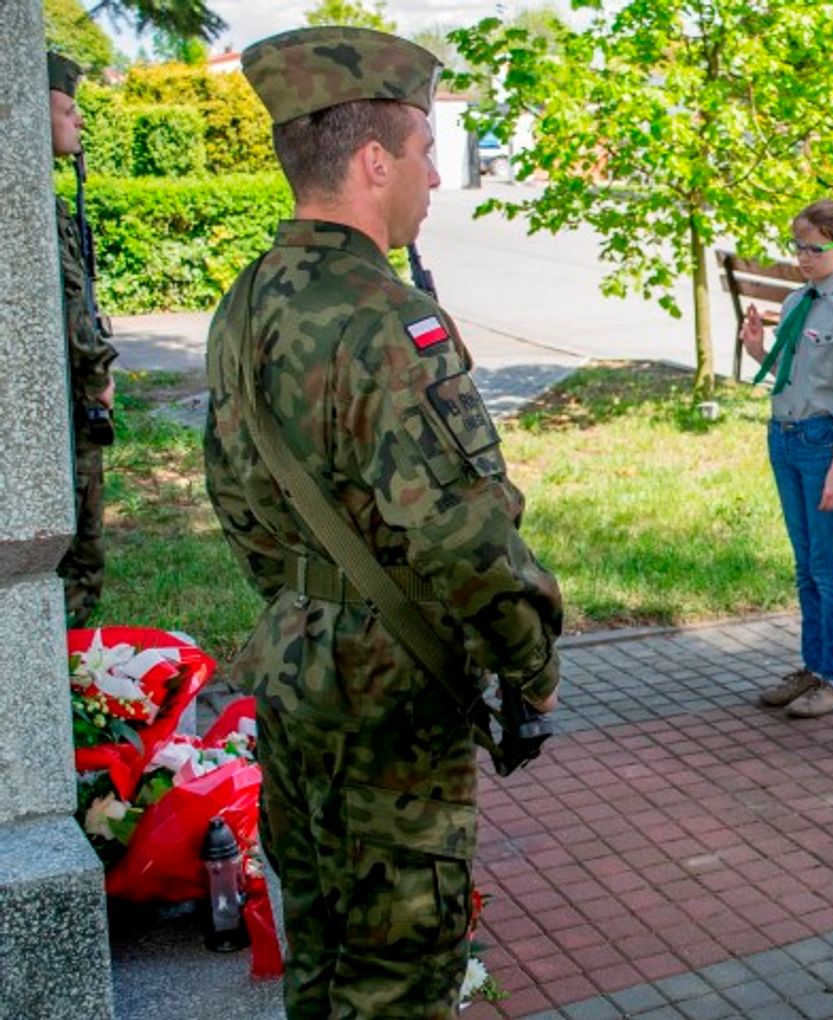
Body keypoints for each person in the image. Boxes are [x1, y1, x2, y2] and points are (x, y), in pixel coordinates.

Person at [203, 27, 562, 1018]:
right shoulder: (388, 318)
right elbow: (465, 536)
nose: (435, 177)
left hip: (293, 665)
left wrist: (306, 600)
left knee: (319, 953)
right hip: (389, 697)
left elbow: (232, 492)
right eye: (424, 150)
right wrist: (531, 668)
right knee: (399, 979)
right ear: (373, 161)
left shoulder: (247, 299)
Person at [743, 200, 833, 718]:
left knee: (828, 564)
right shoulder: (800, 299)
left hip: (822, 442)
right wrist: (759, 351)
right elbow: (793, 376)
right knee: (805, 564)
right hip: (785, 435)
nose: (803, 257)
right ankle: (814, 666)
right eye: (797, 247)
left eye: (814, 249)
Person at [48, 52, 118, 627]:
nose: (80, 120)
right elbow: (72, 303)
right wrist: (98, 377)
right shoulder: (37, 211)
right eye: (68, 109)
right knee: (77, 558)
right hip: (67, 404)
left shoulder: (47, 204)